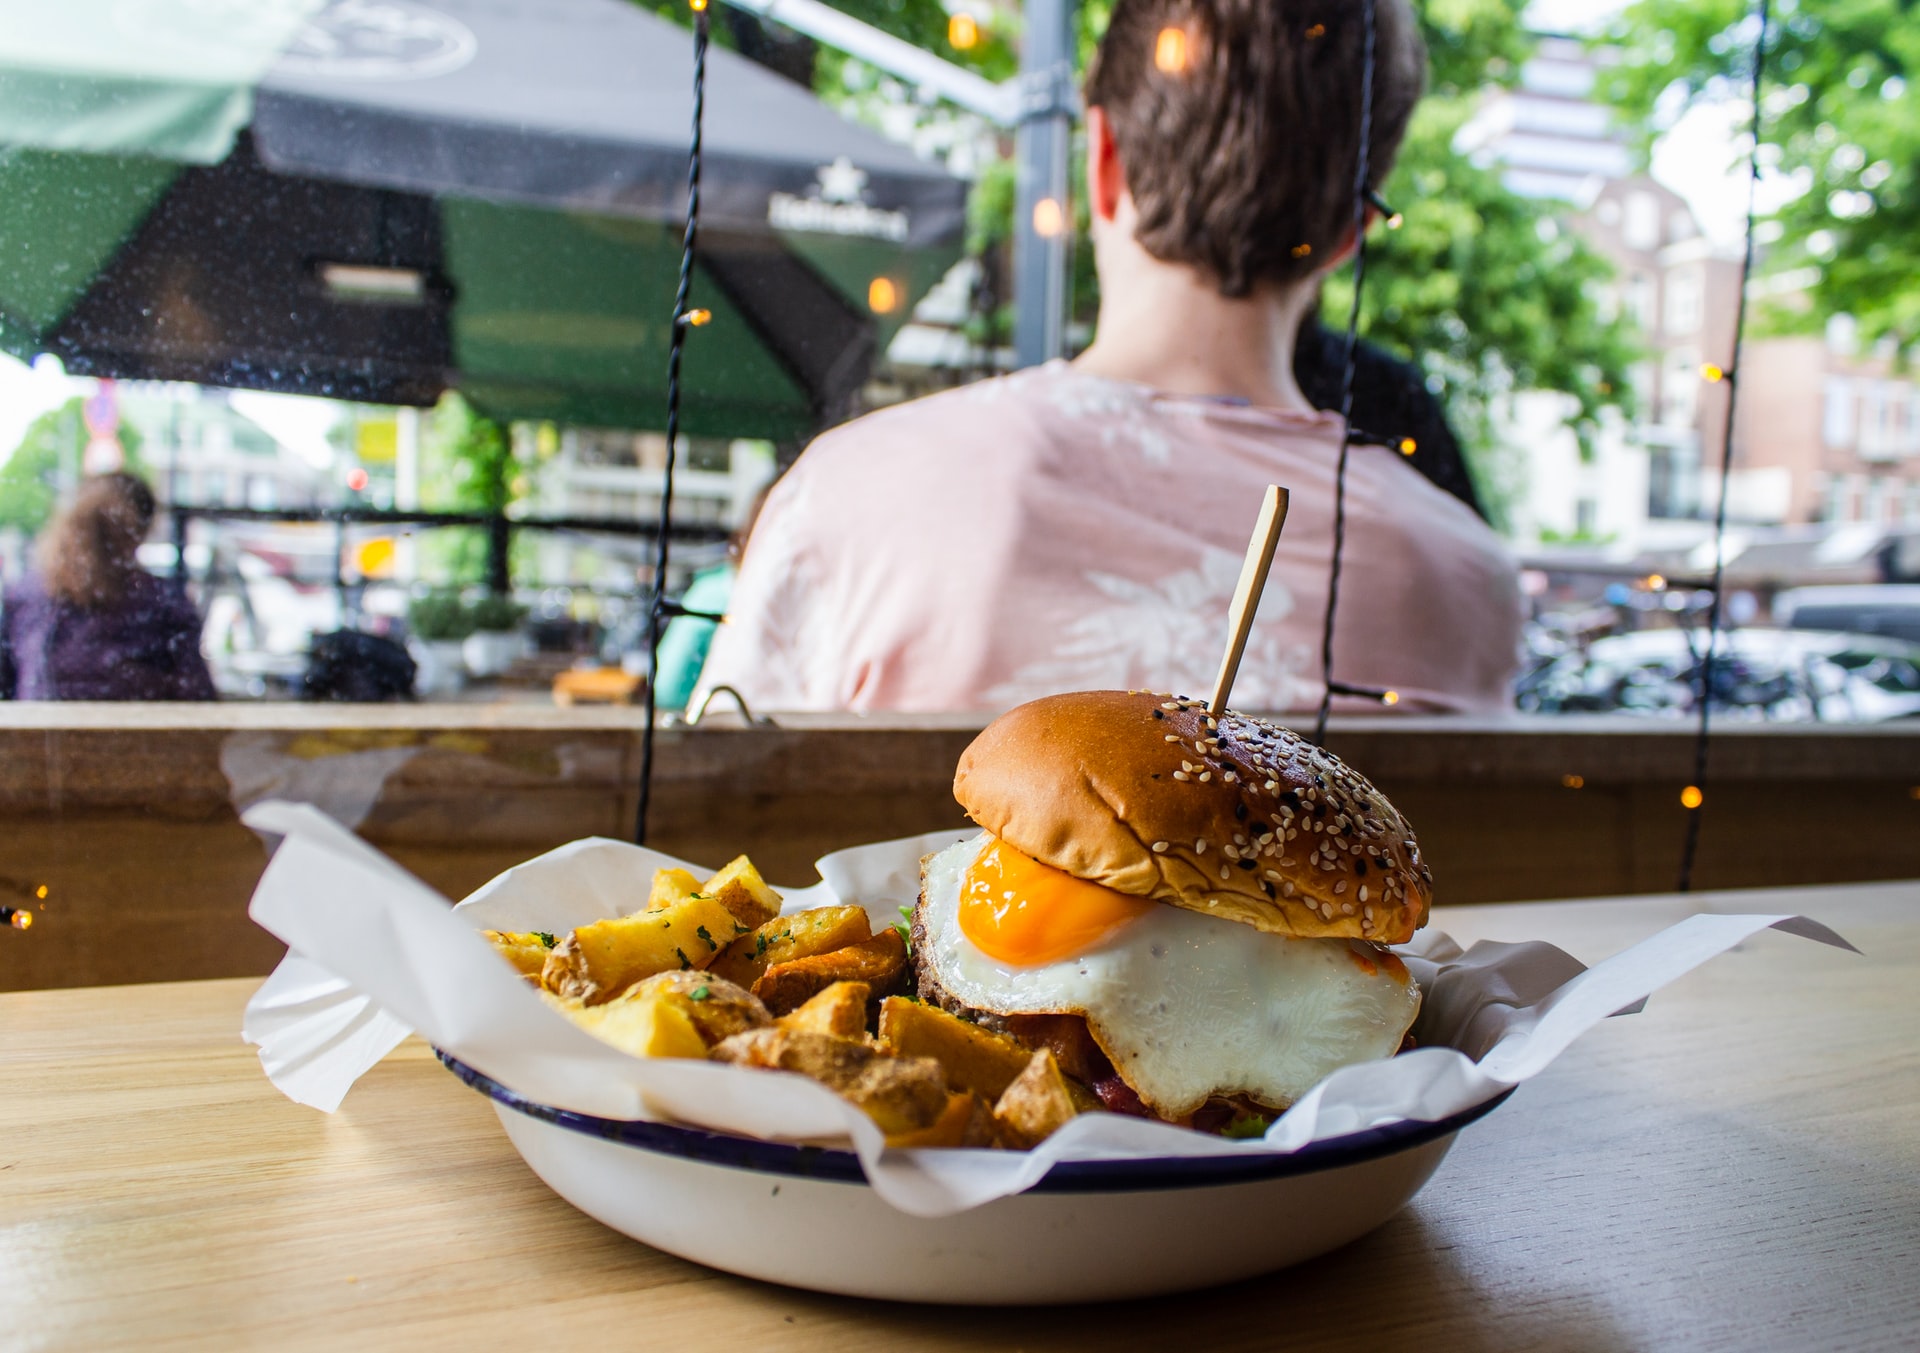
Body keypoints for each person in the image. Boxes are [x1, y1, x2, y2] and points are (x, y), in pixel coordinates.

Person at [696, 0, 1522, 715]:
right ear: (1353, 232)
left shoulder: (852, 495)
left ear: (1104, 159)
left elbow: (711, 865)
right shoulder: (1469, 578)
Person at [0, 472, 217, 701]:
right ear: (137, 533)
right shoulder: (159, 604)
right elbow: (198, 698)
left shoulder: (28, 596)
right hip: (135, 735)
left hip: (38, 734)